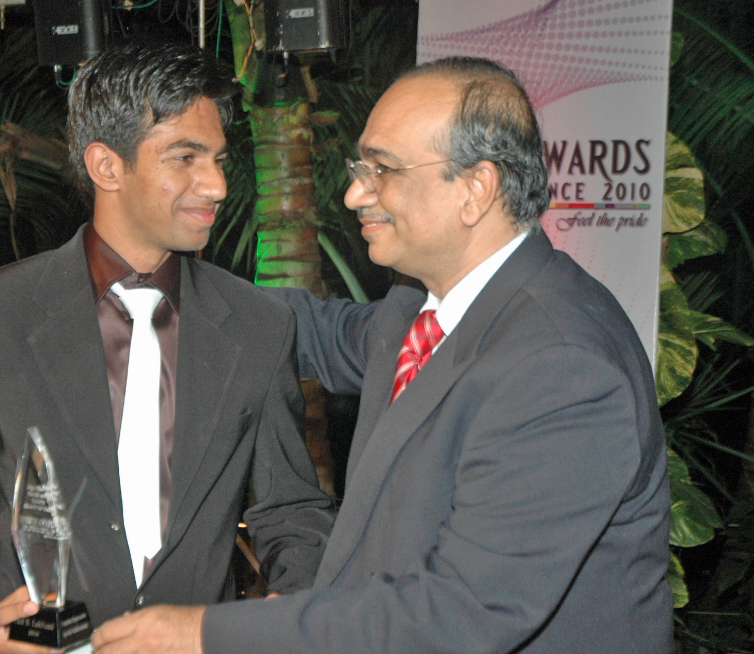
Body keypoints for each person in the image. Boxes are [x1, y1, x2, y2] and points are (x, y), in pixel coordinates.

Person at [89, 57, 673, 653]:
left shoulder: (561, 364)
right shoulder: (417, 313)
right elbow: (295, 327)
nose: (353, 194)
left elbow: (460, 615)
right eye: (360, 168)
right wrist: (140, 282)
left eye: (383, 170)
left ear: (476, 189)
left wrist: (203, 634)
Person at [0, 40, 333, 654]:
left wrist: (290, 614)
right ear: (107, 166)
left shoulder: (259, 325)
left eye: (217, 158)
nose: (215, 184)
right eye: (185, 157)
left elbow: (292, 513)